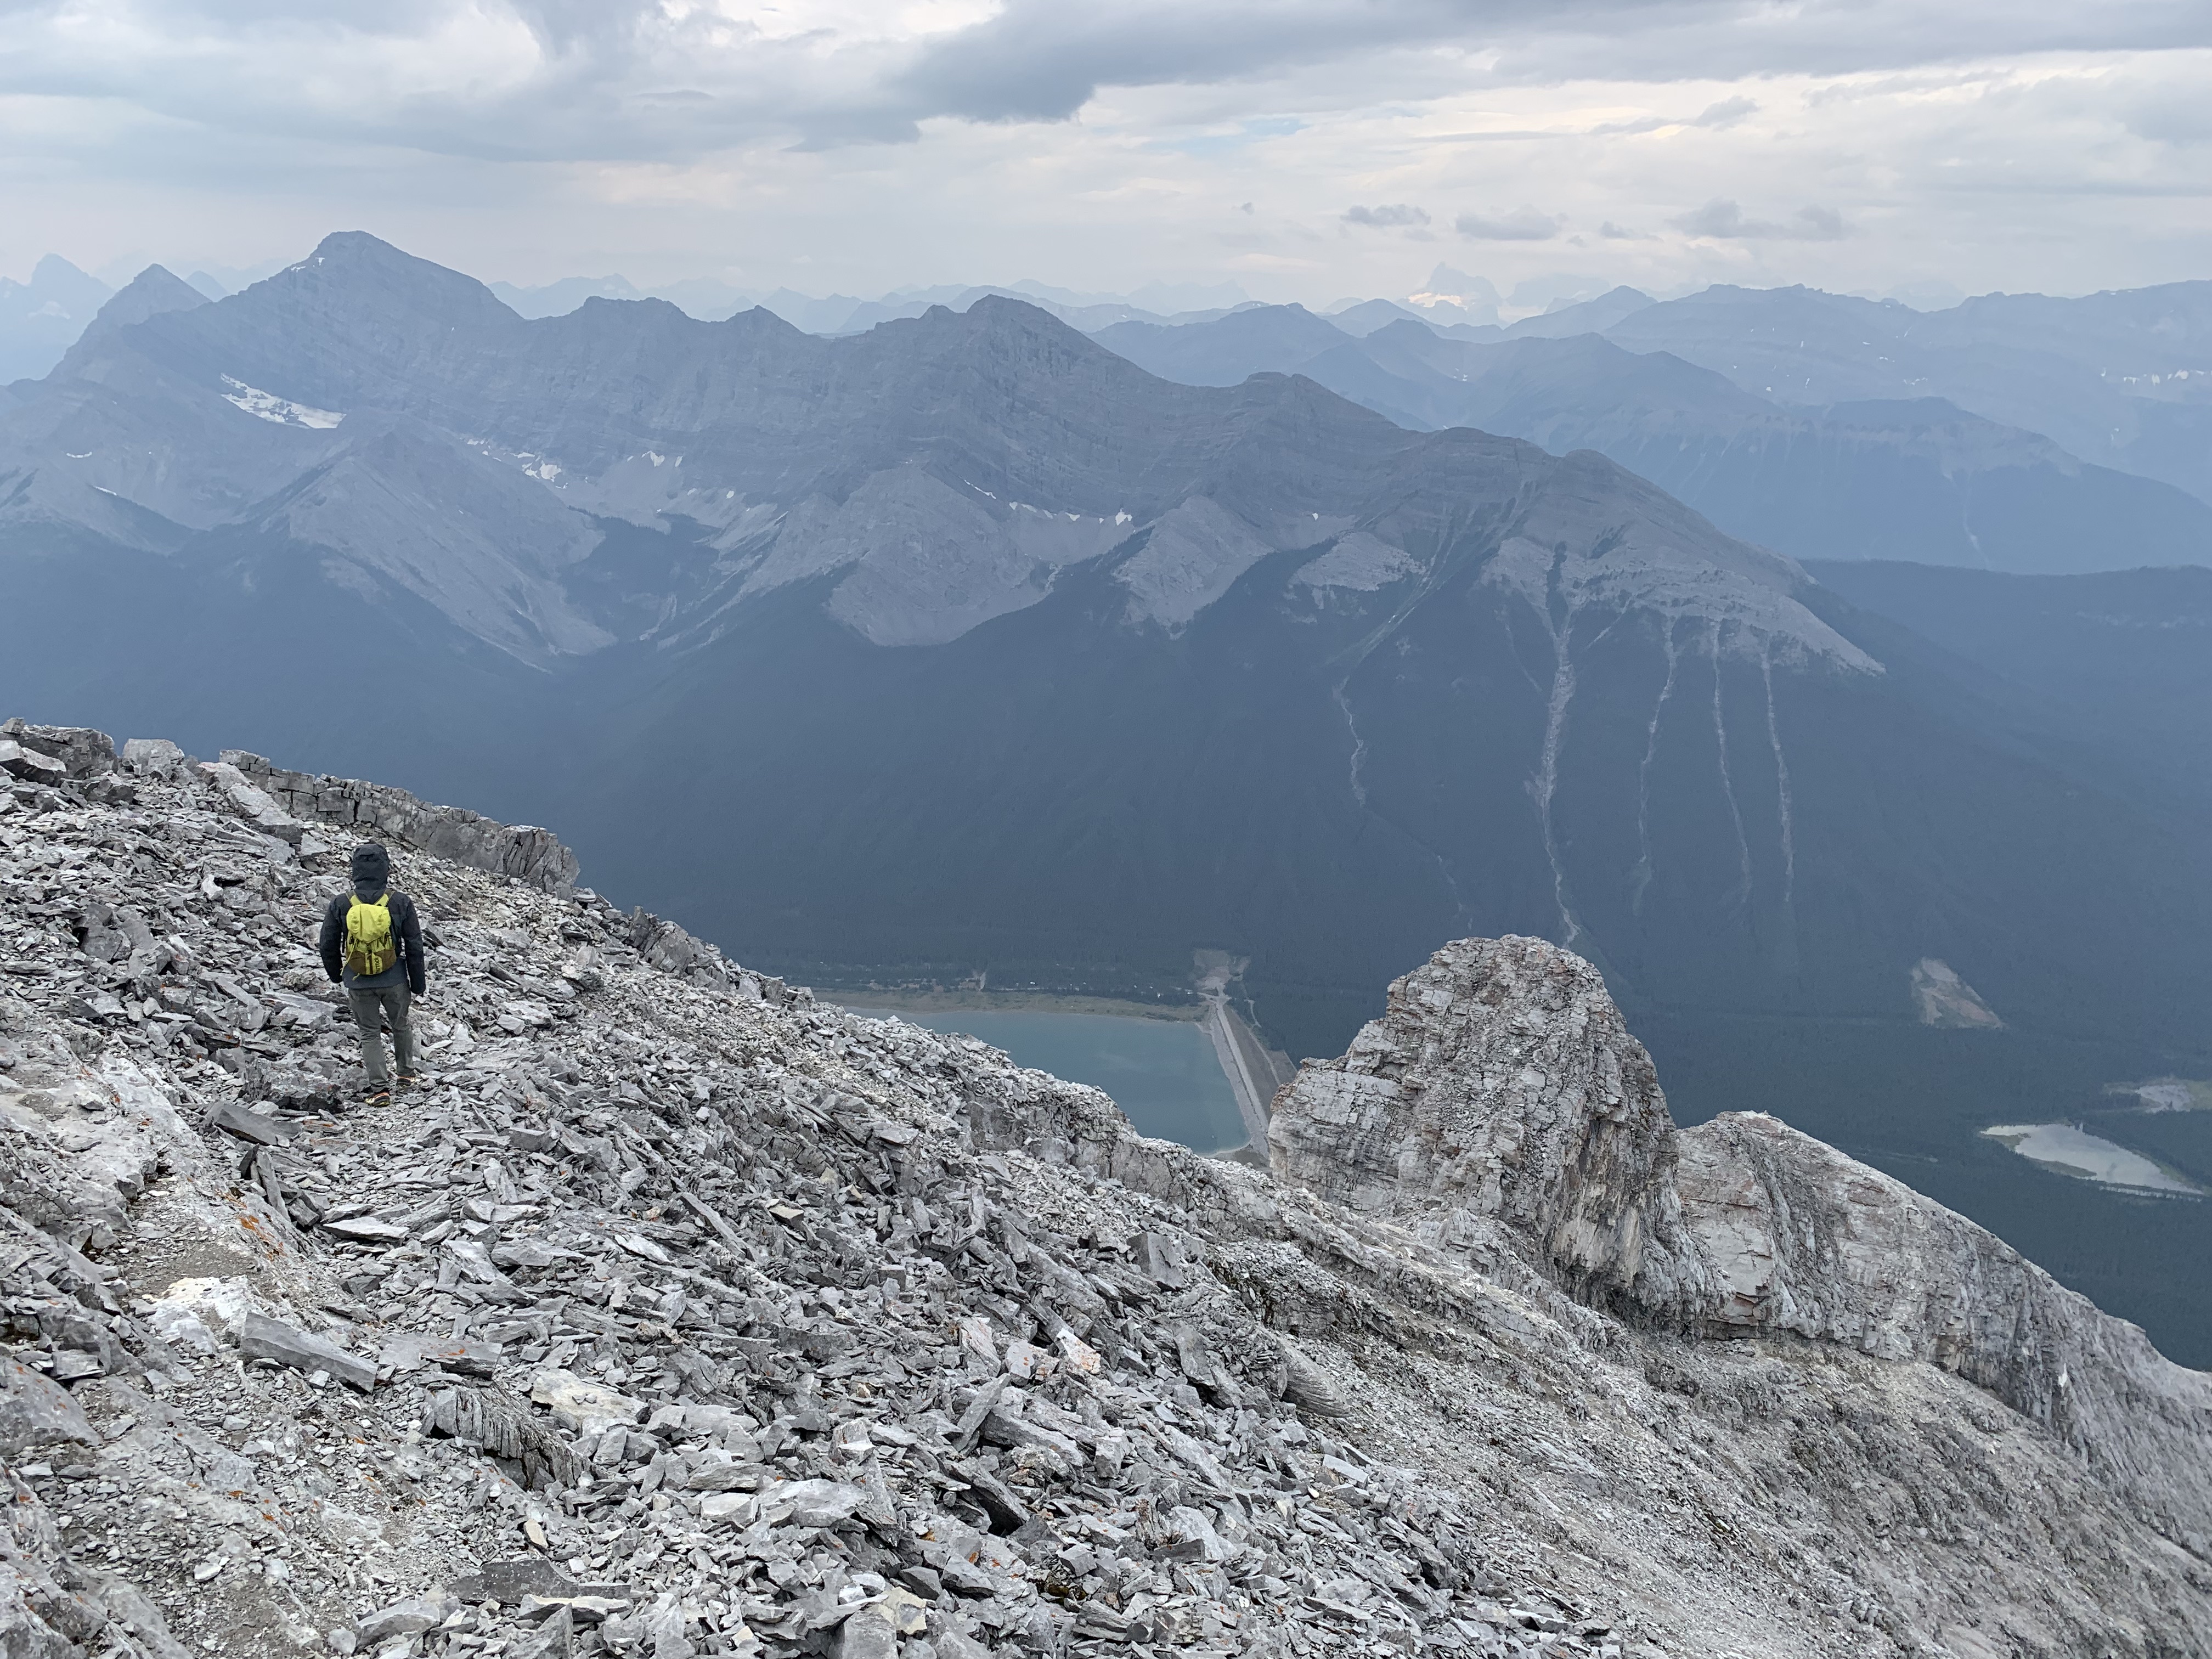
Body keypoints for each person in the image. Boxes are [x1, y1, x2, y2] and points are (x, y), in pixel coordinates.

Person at [318, 842, 426, 1107]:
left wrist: (336, 975)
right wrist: (418, 983)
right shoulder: (400, 901)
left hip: (357, 980)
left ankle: (380, 1089)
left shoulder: (341, 903)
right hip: (395, 978)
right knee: (400, 1024)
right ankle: (406, 1075)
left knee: (369, 1033)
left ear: (355, 870)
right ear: (386, 869)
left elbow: (327, 944)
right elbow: (414, 944)